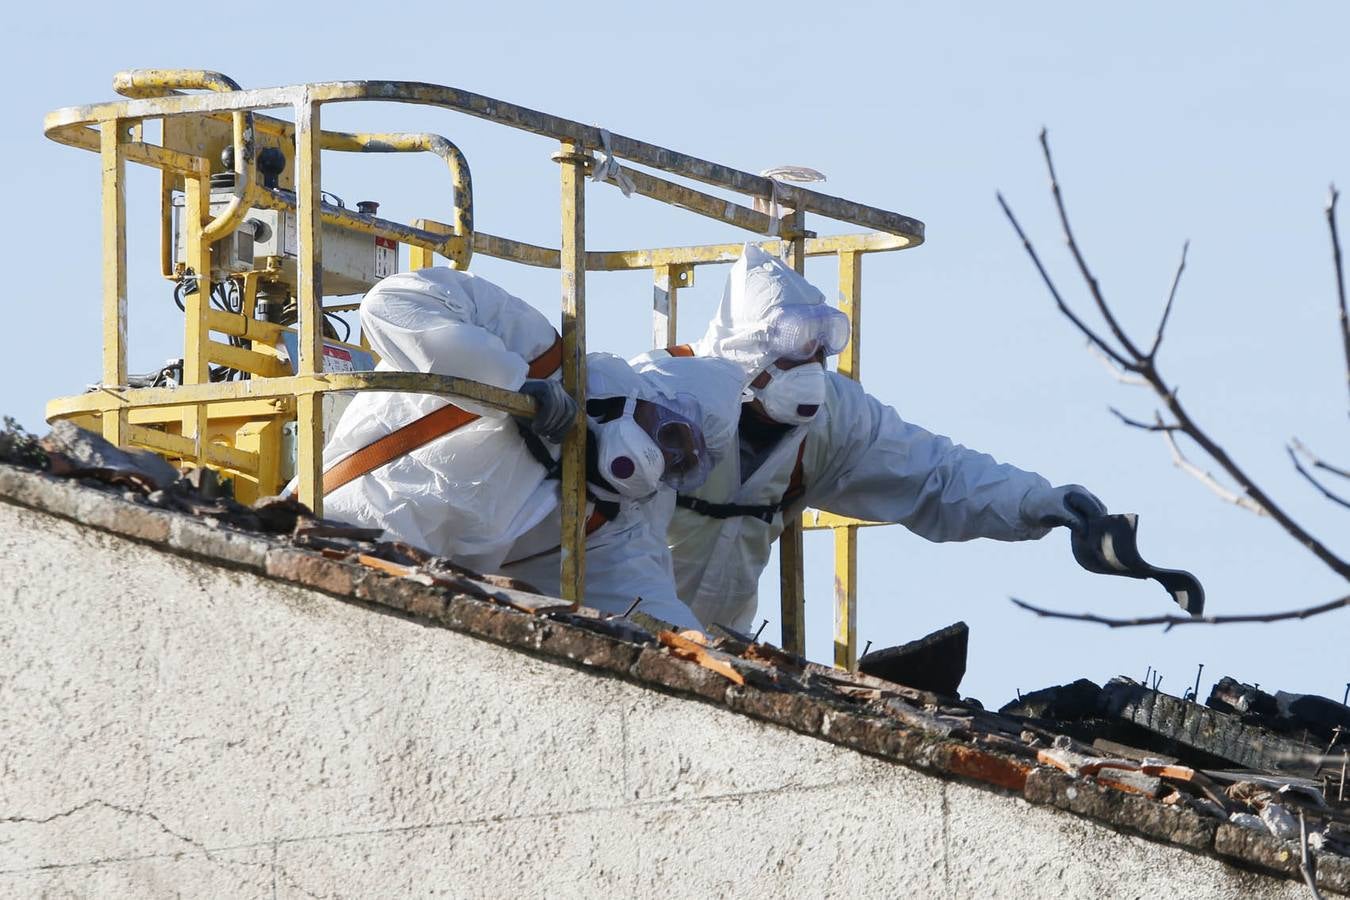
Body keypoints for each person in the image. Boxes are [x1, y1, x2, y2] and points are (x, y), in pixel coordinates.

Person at [633, 245, 1107, 634]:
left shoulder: (833, 420)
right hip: (613, 634)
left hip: (713, 659)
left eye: (820, 348)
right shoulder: (657, 399)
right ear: (745, 353)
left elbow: (935, 474)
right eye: (794, 347)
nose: (811, 366)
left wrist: (1036, 500)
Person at [317, 267, 743, 631]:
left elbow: (650, 612)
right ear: (646, 394)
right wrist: (510, 387)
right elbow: (390, 303)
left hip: (404, 594)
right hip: (326, 528)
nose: (660, 461)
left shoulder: (598, 524)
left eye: (679, 465)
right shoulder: (535, 348)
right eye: (672, 436)